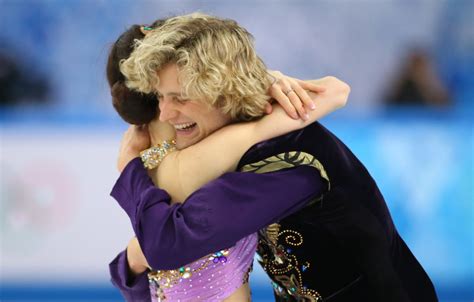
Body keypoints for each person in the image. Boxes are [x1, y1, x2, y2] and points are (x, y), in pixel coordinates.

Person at [110, 13, 438, 301]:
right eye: (161, 98)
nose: (166, 114)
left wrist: (131, 170)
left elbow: (166, 245)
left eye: (179, 98)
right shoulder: (233, 136)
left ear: (221, 89)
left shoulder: (282, 159)